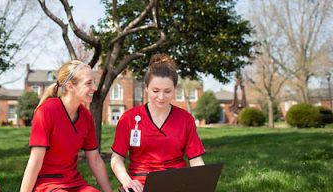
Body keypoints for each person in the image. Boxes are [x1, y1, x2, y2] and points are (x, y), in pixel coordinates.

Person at [110, 54, 205, 192]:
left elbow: (196, 160)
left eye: (167, 91)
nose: (161, 97)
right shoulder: (129, 118)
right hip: (139, 183)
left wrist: (201, 182)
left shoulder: (185, 119)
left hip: (176, 182)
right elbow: (116, 158)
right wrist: (127, 181)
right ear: (146, 88)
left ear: (174, 89)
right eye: (155, 91)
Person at [20, 60, 113, 192]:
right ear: (70, 86)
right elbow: (35, 161)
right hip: (47, 183)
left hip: (74, 182)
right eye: (88, 83)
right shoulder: (47, 111)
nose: (95, 88)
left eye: (94, 82)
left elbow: (95, 159)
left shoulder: (86, 116)